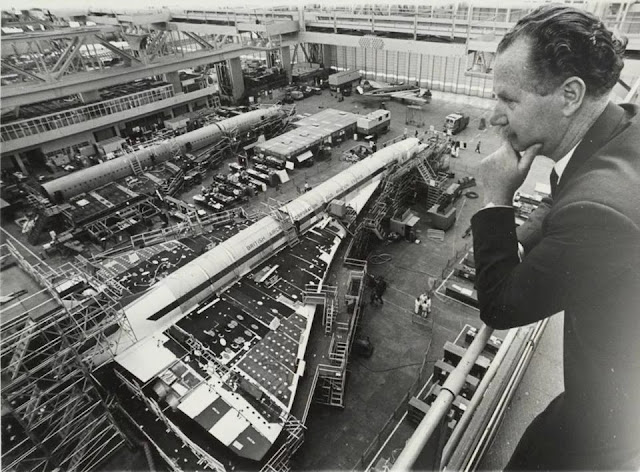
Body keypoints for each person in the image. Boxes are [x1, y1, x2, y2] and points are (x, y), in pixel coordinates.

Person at [470, 5, 640, 470]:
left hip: (603, 428)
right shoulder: (623, 130)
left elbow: (501, 306)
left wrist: (496, 200)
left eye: (508, 99)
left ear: (569, 95)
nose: (493, 117)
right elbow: (575, 190)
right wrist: (537, 228)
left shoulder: (598, 211)